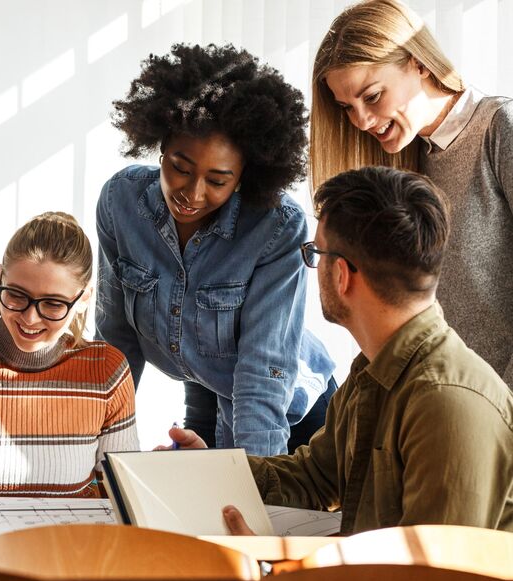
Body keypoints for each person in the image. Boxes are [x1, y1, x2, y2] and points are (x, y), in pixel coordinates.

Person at [169, 166, 513, 535]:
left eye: (315, 252)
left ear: (342, 275)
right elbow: (315, 478)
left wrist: (274, 569)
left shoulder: (446, 403)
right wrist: (211, 472)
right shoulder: (373, 369)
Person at [96, 43, 335, 457]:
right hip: (206, 389)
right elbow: (116, 341)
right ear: (161, 144)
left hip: (289, 416)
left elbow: (261, 374)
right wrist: (102, 451)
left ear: (245, 175)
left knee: (248, 512)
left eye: (218, 180)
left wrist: (257, 487)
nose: (192, 193)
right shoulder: (122, 201)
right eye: (180, 167)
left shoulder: (277, 227)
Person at [309, 0, 513, 388]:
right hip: (440, 405)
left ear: (418, 63)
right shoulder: (408, 167)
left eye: (372, 96)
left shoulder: (499, 128)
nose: (362, 121)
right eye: (346, 108)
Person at [0, 212, 139, 497]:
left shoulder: (107, 371)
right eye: (17, 295)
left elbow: (122, 501)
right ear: (0, 278)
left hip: (71, 542)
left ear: (82, 299)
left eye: (53, 303)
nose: (30, 318)